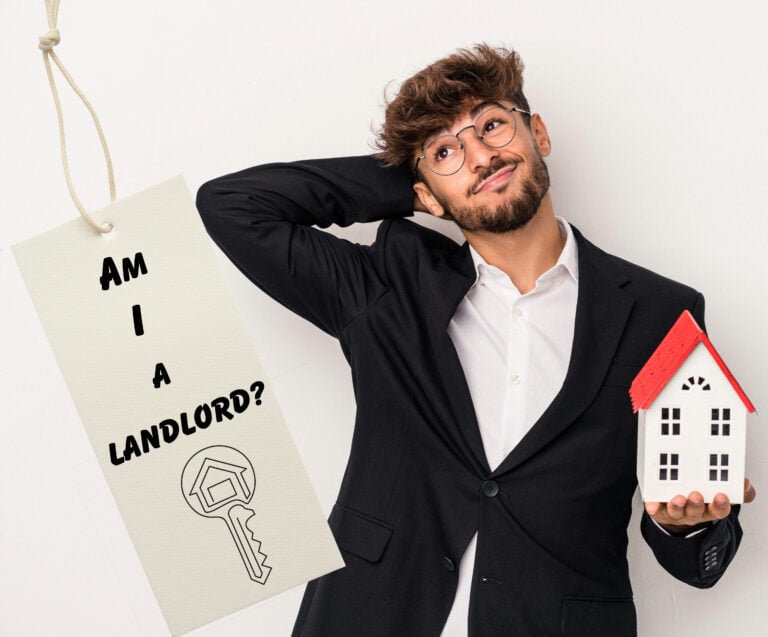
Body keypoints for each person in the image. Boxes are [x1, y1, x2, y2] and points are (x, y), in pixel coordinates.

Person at [196, 44, 754, 637]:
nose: (482, 156)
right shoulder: (387, 288)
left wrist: (684, 525)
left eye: (492, 125)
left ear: (537, 132)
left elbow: (697, 558)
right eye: (447, 151)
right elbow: (232, 206)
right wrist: (406, 181)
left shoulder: (660, 312)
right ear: (427, 194)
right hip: (373, 614)